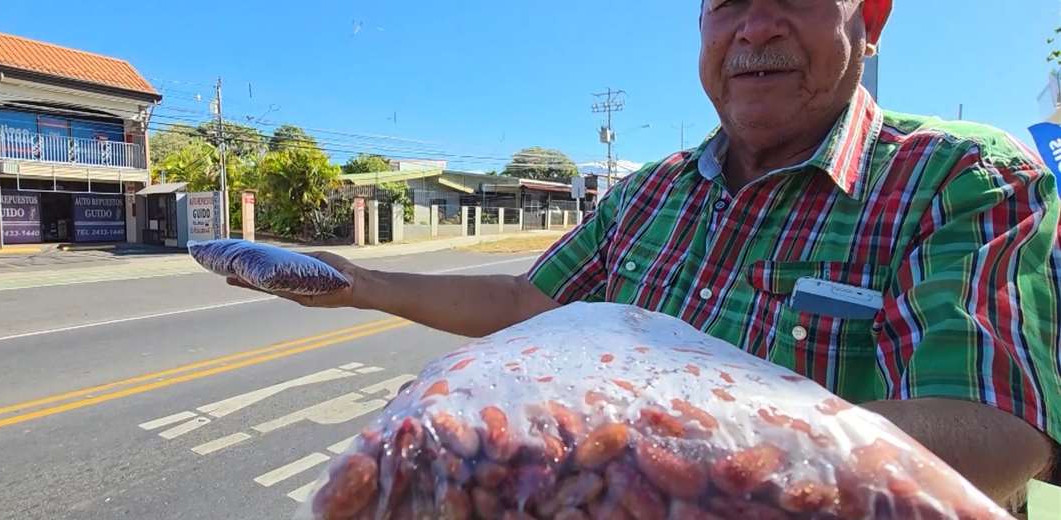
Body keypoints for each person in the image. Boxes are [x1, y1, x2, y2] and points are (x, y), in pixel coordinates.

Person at [232, 0, 1059, 507]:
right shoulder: (650, 193)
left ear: (870, 19)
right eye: (728, 1)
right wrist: (362, 284)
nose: (755, 26)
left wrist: (650, 464)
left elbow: (995, 431)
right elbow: (527, 304)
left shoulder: (961, 178)